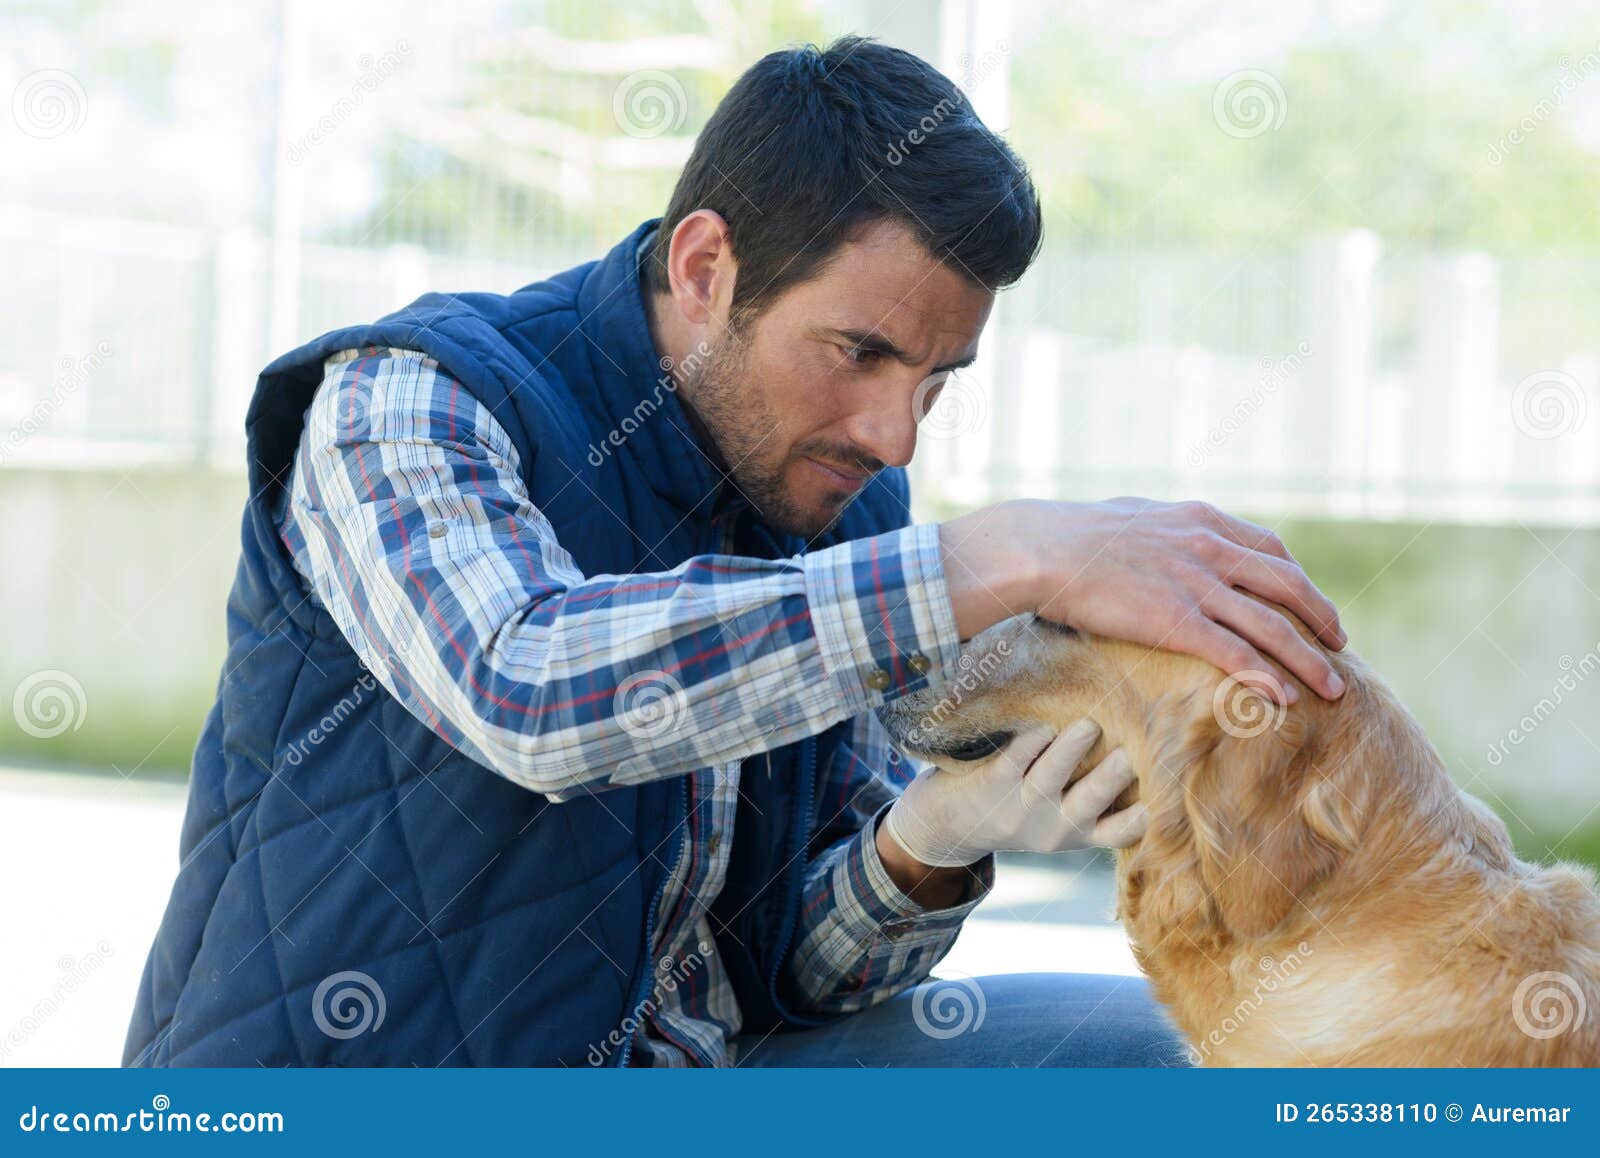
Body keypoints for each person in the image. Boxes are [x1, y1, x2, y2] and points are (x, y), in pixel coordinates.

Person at [124, 35, 1345, 1068]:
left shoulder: (843, 506)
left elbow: (793, 976)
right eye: (860, 352)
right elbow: (531, 686)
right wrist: (1004, 556)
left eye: (938, 378)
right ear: (708, 267)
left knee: (1157, 1055)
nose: (891, 431)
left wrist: (940, 831)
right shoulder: (410, 402)